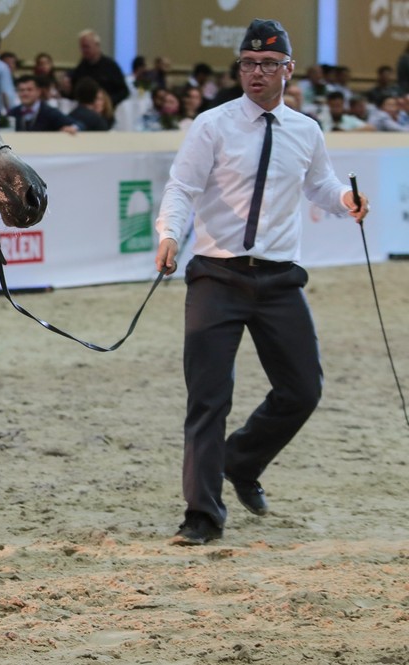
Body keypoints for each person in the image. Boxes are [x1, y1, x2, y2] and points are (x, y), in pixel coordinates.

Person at [153, 19, 368, 546]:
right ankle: (202, 515)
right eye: (248, 63)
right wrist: (169, 235)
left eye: (268, 64)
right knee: (209, 398)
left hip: (278, 280)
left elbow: (319, 183)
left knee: (303, 389)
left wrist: (345, 201)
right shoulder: (211, 125)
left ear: (288, 71)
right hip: (217, 276)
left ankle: (240, 461)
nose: (256, 72)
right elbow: (182, 187)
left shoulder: (307, 131)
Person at [70, 29, 128, 105]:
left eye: (86, 47)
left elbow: (124, 91)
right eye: (82, 47)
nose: (83, 51)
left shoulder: (110, 66)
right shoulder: (81, 67)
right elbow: (74, 92)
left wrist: (107, 102)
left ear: (97, 45)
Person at [9, 75, 77, 133]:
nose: (25, 93)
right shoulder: (13, 112)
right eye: (21, 90)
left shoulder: (49, 112)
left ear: (38, 91)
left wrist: (72, 128)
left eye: (29, 90)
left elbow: (78, 124)